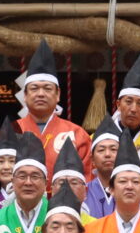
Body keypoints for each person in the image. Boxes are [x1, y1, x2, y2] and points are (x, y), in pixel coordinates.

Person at [12, 39, 93, 173]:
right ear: (25, 95)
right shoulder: (12, 131)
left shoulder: (76, 134)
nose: (41, 94)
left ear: (58, 95)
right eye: (34, 88)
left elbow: (87, 178)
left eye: (47, 88)